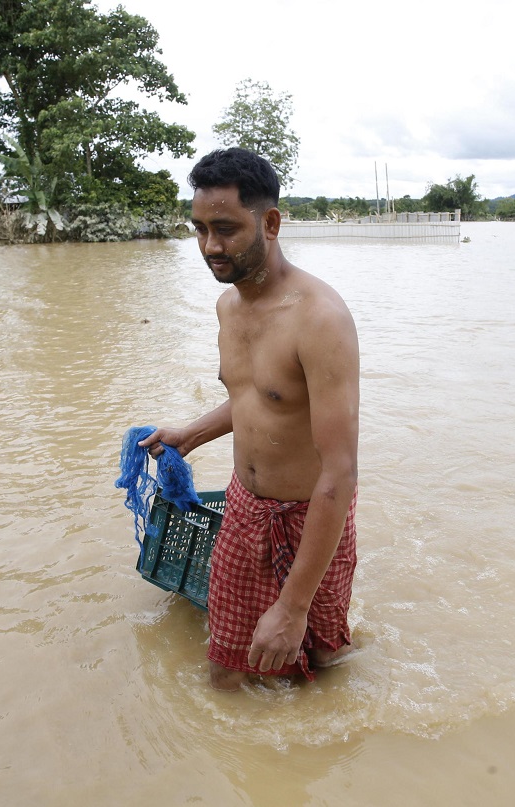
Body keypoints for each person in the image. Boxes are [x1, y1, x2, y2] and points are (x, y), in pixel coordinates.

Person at [138, 148, 360, 691]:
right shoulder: (228, 309)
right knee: (226, 671)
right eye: (199, 230)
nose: (210, 247)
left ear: (271, 222)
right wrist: (191, 434)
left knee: (325, 663)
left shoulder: (320, 319)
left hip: (313, 517)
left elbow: (340, 472)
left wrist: (292, 606)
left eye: (226, 229)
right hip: (243, 509)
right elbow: (256, 399)